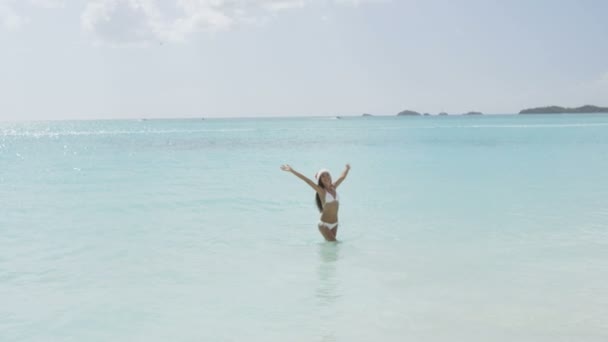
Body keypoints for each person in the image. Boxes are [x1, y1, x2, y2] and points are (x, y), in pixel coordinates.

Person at [280, 164, 351, 241]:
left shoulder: (334, 187)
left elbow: (342, 177)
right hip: (324, 225)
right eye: (323, 176)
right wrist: (292, 171)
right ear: (320, 180)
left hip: (335, 224)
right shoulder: (321, 191)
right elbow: (307, 181)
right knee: (335, 244)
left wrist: (347, 168)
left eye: (327, 175)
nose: (326, 177)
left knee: (330, 247)